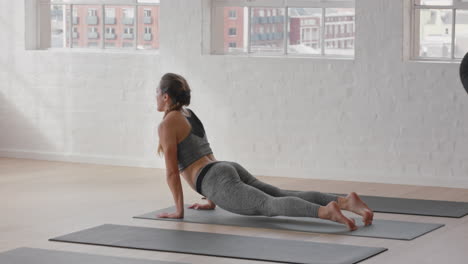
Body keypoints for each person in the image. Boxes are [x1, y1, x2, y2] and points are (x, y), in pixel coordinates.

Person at [155, 73, 373, 231]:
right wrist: (212, 199)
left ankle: (326, 212)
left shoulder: (167, 124)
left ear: (166, 96)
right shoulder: (187, 113)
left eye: (157, 91)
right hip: (225, 168)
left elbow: (173, 173)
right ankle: (345, 202)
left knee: (268, 205)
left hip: (214, 177)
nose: (154, 96)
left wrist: (179, 211)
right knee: (280, 194)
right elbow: (202, 153)